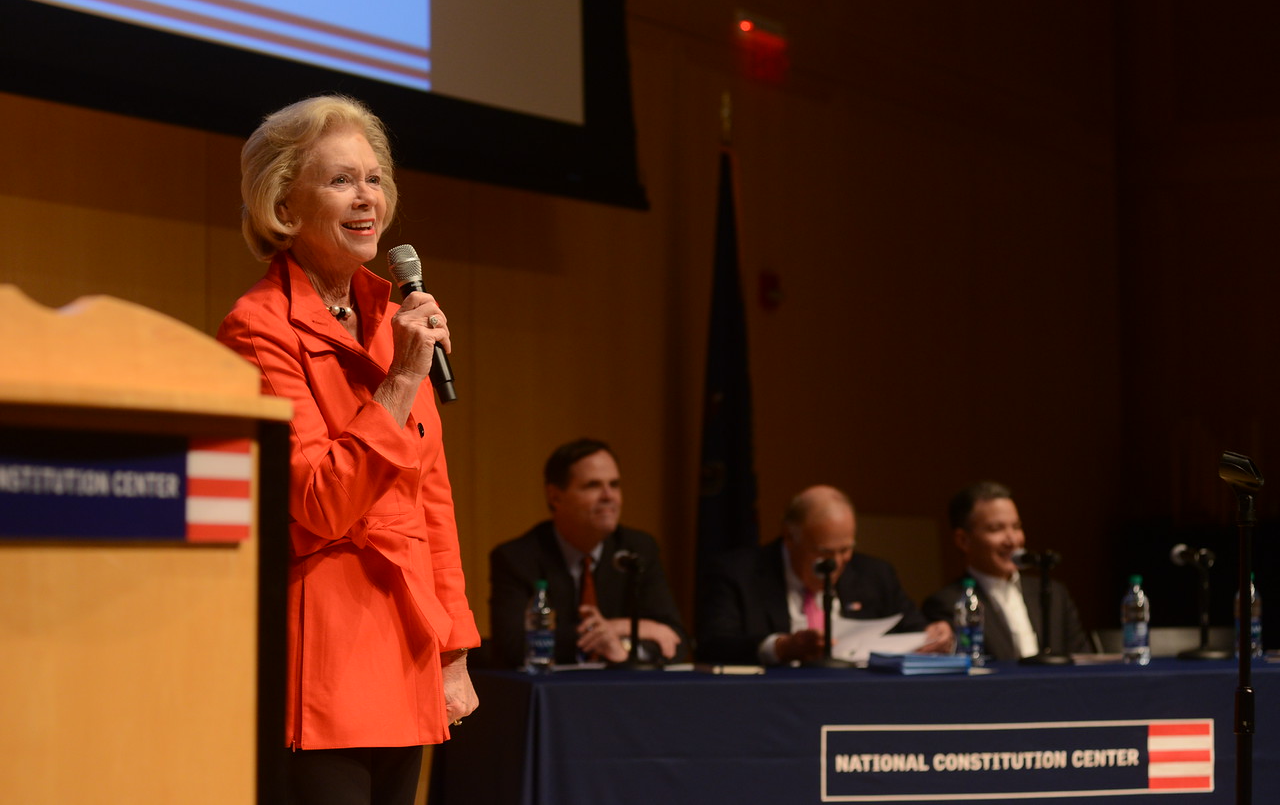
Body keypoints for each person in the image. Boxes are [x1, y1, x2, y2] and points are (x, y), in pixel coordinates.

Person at [217, 94, 480, 805]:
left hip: (409, 644)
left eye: (374, 179)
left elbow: (432, 503)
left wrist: (452, 650)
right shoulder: (257, 328)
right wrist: (400, 380)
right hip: (325, 650)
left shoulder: (394, 317)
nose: (366, 198)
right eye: (340, 180)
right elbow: (318, 503)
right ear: (283, 203)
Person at [697, 484, 953, 665]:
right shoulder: (737, 573)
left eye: (846, 549)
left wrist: (936, 635)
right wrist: (781, 648)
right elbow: (713, 644)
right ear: (789, 537)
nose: (839, 562)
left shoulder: (874, 574)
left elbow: (914, 630)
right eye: (825, 553)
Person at [488, 438, 688, 668]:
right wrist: (608, 634)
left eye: (614, 484)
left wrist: (620, 635)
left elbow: (676, 640)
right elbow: (511, 646)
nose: (608, 496)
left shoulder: (638, 548)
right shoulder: (518, 557)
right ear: (555, 497)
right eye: (593, 485)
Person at [922, 481, 1090, 661]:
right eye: (996, 529)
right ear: (963, 540)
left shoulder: (1054, 593)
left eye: (1016, 527)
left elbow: (1082, 658)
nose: (1012, 540)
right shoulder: (948, 603)